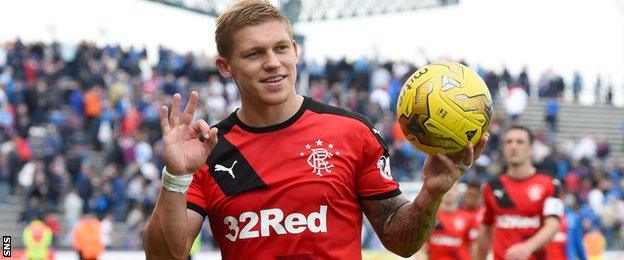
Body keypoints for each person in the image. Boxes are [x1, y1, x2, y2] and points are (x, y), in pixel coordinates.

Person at [142, 1, 488, 259]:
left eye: (281, 48)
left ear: (295, 51)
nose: (273, 62)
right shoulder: (208, 150)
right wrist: (175, 176)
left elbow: (401, 241)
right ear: (225, 66)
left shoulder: (351, 132)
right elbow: (164, 255)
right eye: (253, 54)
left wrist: (431, 193)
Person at [476, 126, 563, 260]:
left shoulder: (549, 184)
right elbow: (485, 227)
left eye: (520, 142)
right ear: (503, 148)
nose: (513, 146)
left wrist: (527, 247)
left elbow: (553, 224)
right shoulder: (492, 186)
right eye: (509, 142)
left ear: (530, 149)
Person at [420, 184, 479, 260]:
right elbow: (421, 247)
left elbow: (474, 246)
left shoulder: (468, 218)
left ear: (457, 193)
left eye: (452, 190)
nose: (449, 193)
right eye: (445, 190)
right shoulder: (430, 218)